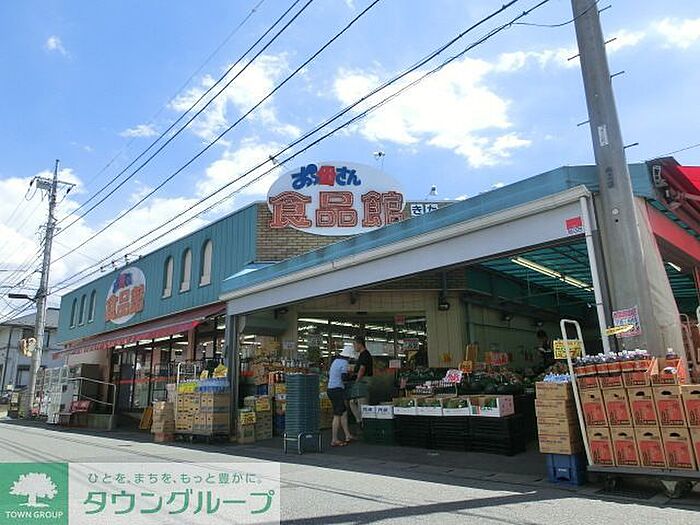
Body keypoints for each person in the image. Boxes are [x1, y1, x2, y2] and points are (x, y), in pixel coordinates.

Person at [327, 344, 355, 447]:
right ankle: (334, 439)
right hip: (337, 390)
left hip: (331, 389)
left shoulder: (335, 361)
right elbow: (344, 378)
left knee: (343, 412)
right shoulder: (344, 363)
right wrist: (352, 375)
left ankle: (347, 435)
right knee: (337, 414)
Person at [349, 335, 373, 426]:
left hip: (364, 381)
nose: (354, 347)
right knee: (352, 401)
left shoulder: (365, 355)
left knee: (362, 404)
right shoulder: (361, 355)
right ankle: (359, 421)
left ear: (360, 344)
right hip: (361, 381)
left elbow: (362, 369)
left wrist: (357, 381)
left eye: (354, 344)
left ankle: (364, 424)